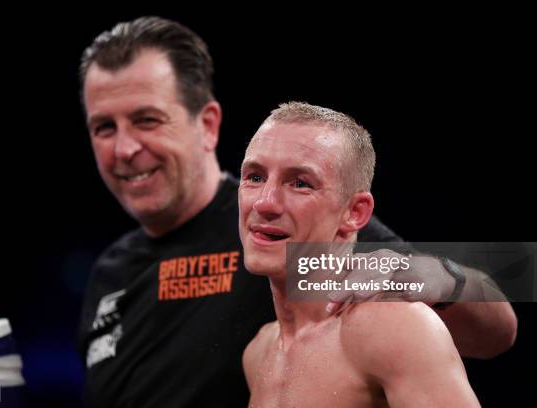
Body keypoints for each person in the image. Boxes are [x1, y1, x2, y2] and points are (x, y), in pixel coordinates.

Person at [77, 16, 515, 407]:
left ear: (208, 124)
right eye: (104, 128)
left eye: (147, 120)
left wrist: (432, 273)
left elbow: (498, 325)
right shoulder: (109, 274)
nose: (125, 148)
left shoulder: (292, 228)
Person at [240, 101, 480, 407]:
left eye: (300, 183)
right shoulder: (259, 352)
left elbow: (503, 329)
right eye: (255, 177)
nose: (264, 202)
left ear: (354, 212)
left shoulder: (393, 326)